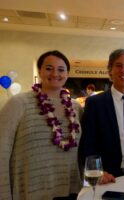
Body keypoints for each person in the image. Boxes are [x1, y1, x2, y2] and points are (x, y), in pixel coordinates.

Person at [0, 50, 83, 200]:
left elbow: (82, 150)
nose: (55, 74)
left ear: (67, 74)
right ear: (40, 71)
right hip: (31, 193)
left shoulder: (76, 108)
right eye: (49, 68)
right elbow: (2, 150)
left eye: (61, 69)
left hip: (70, 191)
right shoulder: (19, 103)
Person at [78, 49, 124, 183]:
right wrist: (96, 172)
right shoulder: (95, 103)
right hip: (108, 175)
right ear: (110, 70)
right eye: (118, 65)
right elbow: (88, 143)